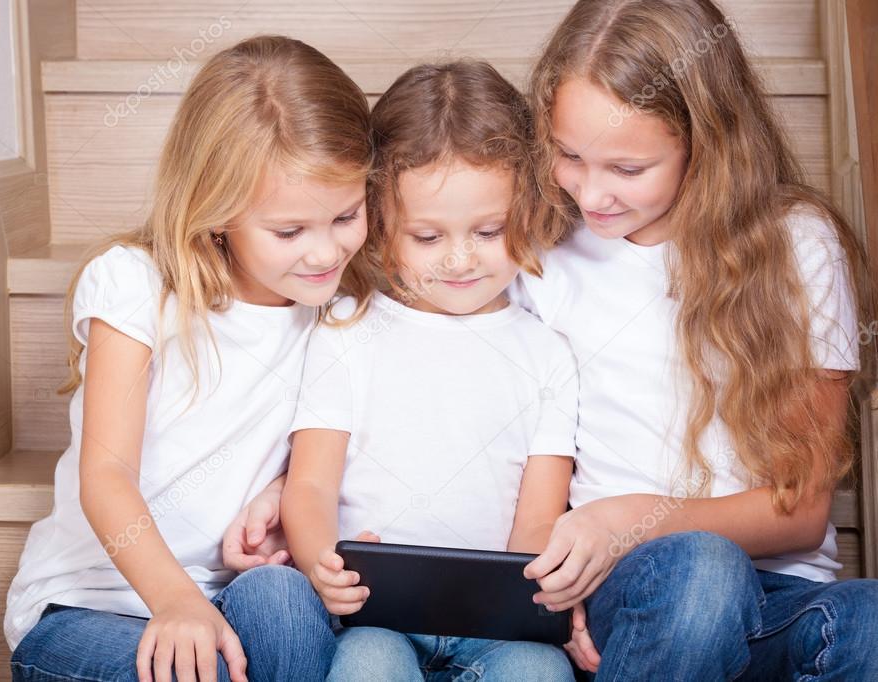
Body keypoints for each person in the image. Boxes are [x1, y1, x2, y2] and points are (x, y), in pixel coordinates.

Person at [511, 0, 878, 677]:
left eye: (626, 169)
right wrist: (559, 584)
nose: (590, 195)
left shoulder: (796, 245)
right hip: (636, 590)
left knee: (870, 622)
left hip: (782, 596)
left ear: (704, 143)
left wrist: (631, 513)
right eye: (568, 156)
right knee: (701, 572)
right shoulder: (545, 256)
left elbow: (797, 511)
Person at [4, 35, 374, 682]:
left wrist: (284, 491)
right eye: (289, 231)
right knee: (186, 671)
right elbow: (106, 477)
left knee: (284, 603)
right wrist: (174, 601)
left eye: (346, 215)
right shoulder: (134, 286)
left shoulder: (336, 313)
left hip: (230, 597)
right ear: (217, 213)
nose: (323, 254)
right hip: (89, 607)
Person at [282, 60, 577, 682]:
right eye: (427, 237)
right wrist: (319, 562)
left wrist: (529, 594)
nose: (461, 259)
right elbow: (308, 486)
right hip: (380, 617)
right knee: (365, 666)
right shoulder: (346, 331)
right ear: (381, 227)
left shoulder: (546, 352)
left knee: (540, 673)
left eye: (489, 229)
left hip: (498, 628)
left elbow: (540, 516)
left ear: (526, 207)